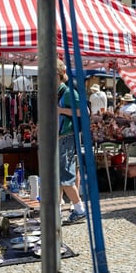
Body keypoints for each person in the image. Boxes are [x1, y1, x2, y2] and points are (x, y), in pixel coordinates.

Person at [56, 59, 86, 224]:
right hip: (61, 138)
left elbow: (84, 111)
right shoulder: (59, 92)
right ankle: (58, 210)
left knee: (65, 178)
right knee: (61, 176)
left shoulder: (67, 92)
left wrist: (60, 110)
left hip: (66, 138)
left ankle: (80, 209)